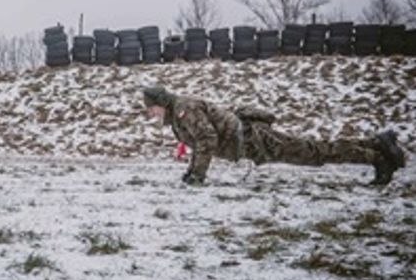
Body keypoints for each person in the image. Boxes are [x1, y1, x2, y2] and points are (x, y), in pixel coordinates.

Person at [141, 85, 406, 186]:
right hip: (252, 141)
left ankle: (377, 158)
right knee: (315, 150)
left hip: (256, 139)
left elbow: (207, 140)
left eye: (151, 108)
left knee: (314, 154)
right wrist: (192, 172)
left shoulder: (184, 109)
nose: (151, 114)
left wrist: (197, 175)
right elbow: (202, 142)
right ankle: (377, 144)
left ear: (161, 102)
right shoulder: (178, 114)